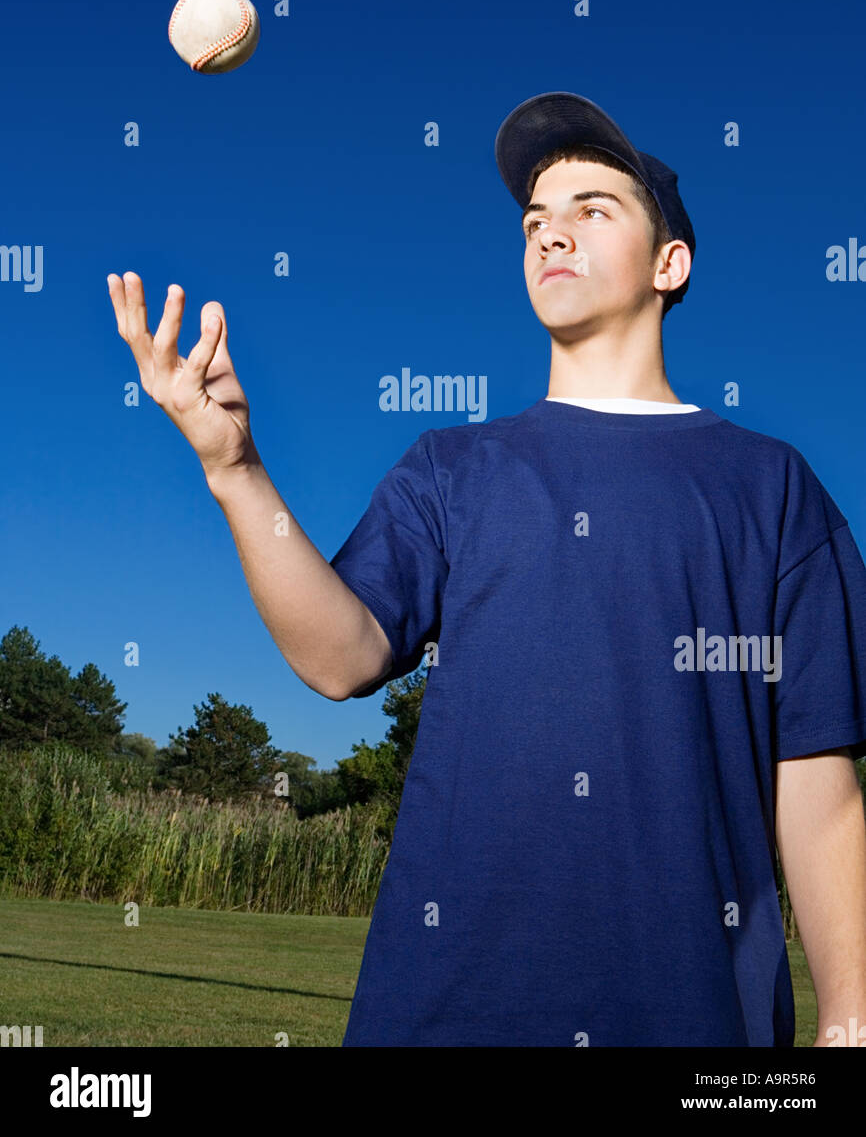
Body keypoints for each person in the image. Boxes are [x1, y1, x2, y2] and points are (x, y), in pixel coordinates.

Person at [107, 91, 866, 1048]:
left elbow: (815, 772)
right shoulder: (452, 469)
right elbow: (340, 658)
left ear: (670, 263)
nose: (553, 235)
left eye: (594, 211)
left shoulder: (771, 486)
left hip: (696, 1023)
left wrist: (850, 1016)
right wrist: (236, 472)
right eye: (535, 222)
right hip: (443, 1014)